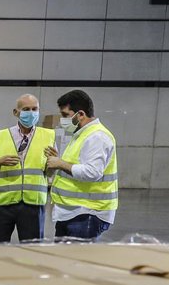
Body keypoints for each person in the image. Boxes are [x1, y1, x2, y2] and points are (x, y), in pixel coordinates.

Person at [45, 89, 118, 242]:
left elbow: (92, 173)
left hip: (87, 212)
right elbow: (76, 164)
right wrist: (58, 161)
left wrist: (60, 163)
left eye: (65, 115)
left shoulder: (97, 136)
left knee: (76, 256)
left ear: (80, 114)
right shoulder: (81, 134)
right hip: (74, 211)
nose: (62, 120)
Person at [0, 94, 53, 243]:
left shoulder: (48, 137)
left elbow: (49, 173)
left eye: (35, 109)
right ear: (16, 112)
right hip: (2, 204)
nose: (31, 113)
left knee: (32, 250)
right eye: (26, 109)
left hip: (33, 204)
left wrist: (54, 163)